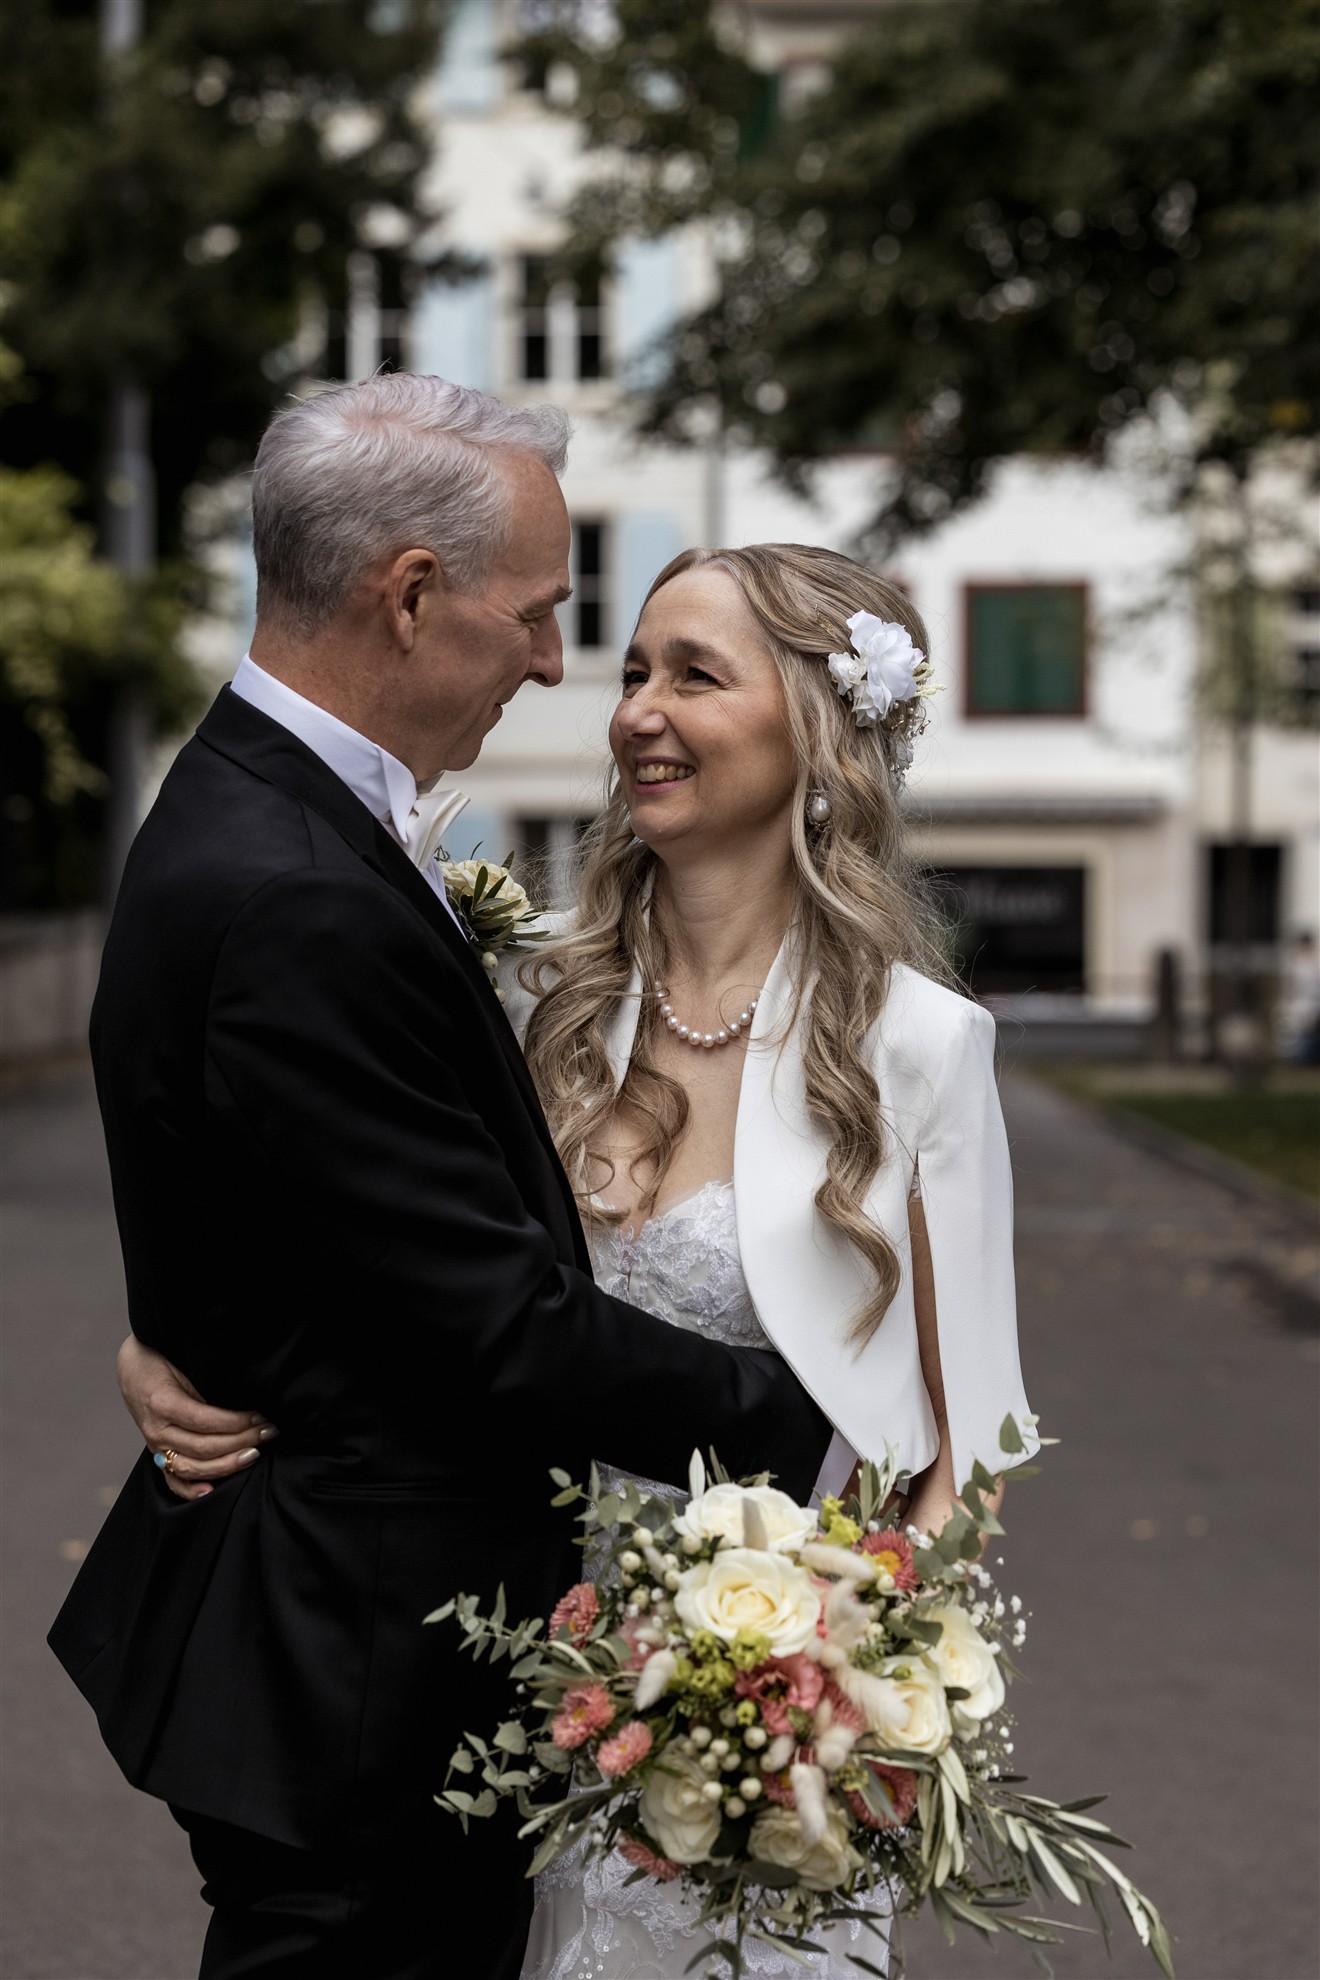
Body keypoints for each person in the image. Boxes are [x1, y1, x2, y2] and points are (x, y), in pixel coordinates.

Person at [120, 535, 1038, 1977]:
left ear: (816, 730)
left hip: (742, 1744)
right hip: (484, 1697)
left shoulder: (921, 1047)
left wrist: (805, 1685)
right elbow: (376, 1245)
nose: (635, 712)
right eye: (630, 672)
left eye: (694, 675)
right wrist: (166, 1343)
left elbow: (965, 1451)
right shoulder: (533, 997)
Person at [49, 377, 836, 1980]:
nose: (557, 664)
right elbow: (494, 1324)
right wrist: (823, 1425)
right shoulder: (295, 888)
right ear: (410, 595)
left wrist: (189, 1324)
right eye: (543, 615)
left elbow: (299, 1201)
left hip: (358, 1627)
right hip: (363, 1663)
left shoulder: (250, 813)